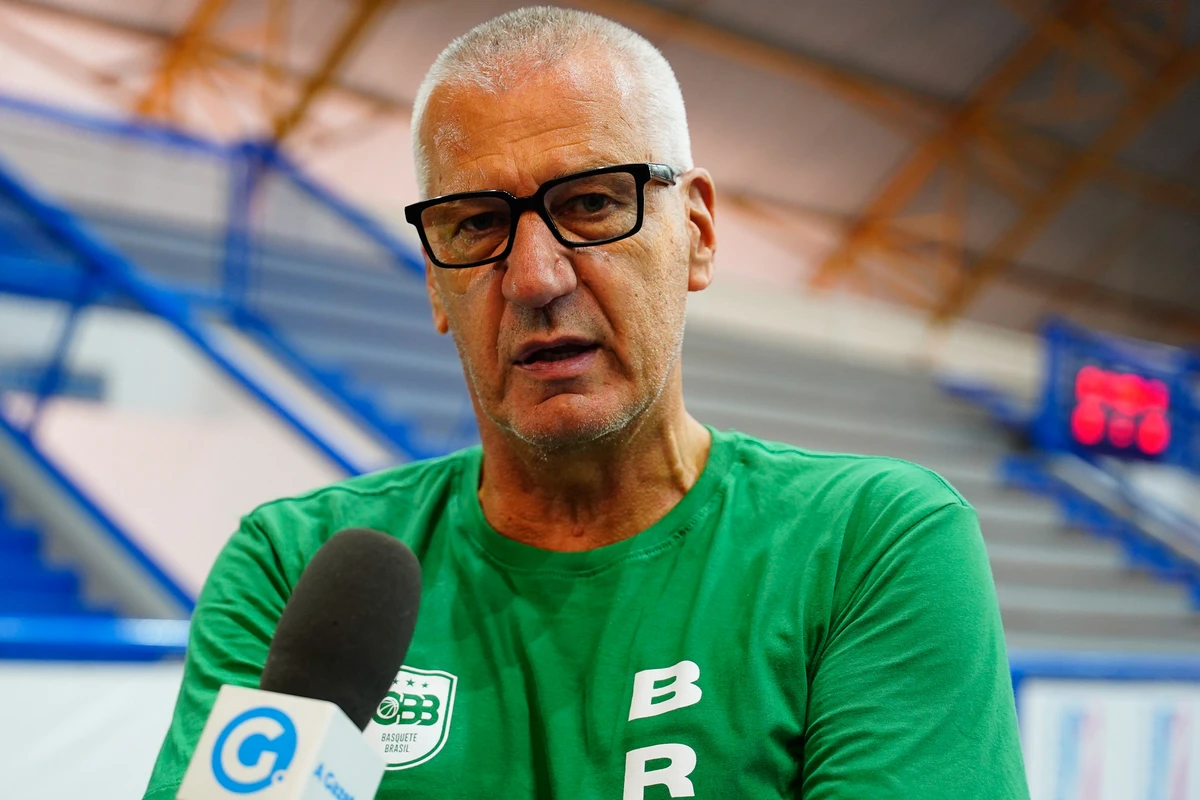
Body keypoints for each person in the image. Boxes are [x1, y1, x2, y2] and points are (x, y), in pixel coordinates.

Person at [144, 7, 1028, 799]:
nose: (534, 277)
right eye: (476, 224)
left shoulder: (869, 545)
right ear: (432, 279)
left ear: (698, 234)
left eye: (594, 203)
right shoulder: (295, 569)